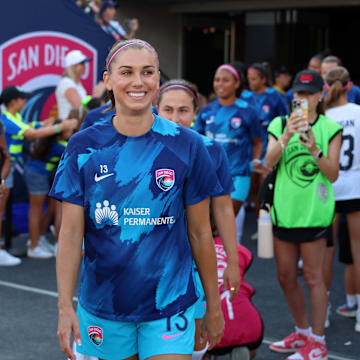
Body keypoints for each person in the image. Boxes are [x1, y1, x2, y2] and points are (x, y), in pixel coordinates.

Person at [50, 39, 224, 360]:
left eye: (148, 72)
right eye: (126, 72)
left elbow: (200, 233)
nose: (138, 82)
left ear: (158, 80)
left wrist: (212, 305)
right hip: (105, 304)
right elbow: (72, 234)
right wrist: (64, 307)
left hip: (170, 302)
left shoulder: (187, 144)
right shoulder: (83, 146)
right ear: (109, 79)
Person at [157, 79, 241, 360]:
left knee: (193, 346)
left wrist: (232, 260)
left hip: (193, 261)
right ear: (156, 110)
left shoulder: (211, 150)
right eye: (167, 109)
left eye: (183, 110)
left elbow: (223, 209)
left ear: (196, 113)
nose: (175, 118)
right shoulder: (142, 146)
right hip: (148, 262)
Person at [266, 69, 342, 360]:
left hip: (314, 213)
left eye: (309, 93)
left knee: (313, 277)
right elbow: (269, 161)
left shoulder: (329, 127)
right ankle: (302, 332)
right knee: (285, 276)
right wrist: (286, 135)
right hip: (284, 212)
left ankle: (318, 343)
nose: (303, 98)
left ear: (320, 95)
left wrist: (315, 150)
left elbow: (333, 174)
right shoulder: (279, 123)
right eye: (299, 93)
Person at [0, 85, 78, 260]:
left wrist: (47, 123)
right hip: (5, 166)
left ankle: (35, 242)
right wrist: (60, 127)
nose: (25, 101)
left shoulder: (15, 117)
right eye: (22, 98)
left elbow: (32, 126)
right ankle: (29, 246)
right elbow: (32, 134)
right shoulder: (6, 118)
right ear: (14, 101)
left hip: (9, 166)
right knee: (3, 209)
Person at [193, 64, 263, 216]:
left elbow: (258, 142)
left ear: (236, 84)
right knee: (210, 224)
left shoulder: (248, 110)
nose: (220, 84)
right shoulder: (206, 110)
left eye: (225, 80)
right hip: (210, 174)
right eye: (217, 80)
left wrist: (254, 162)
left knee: (225, 218)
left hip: (238, 175)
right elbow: (195, 140)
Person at [322, 66, 360, 332]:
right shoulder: (358, 113)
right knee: (359, 252)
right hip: (356, 186)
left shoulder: (324, 117)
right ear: (349, 86)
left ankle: (321, 311)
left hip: (329, 188)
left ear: (327, 87)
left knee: (324, 253)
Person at [24, 119, 75, 258]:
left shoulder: (48, 139)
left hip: (38, 174)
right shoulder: (60, 146)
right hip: (37, 176)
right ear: (59, 134)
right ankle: (33, 246)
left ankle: (38, 239)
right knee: (36, 210)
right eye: (69, 131)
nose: (72, 133)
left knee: (43, 209)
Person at [55, 50, 105, 120]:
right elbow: (80, 110)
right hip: (70, 128)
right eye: (82, 63)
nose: (85, 66)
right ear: (73, 66)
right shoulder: (66, 83)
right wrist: (96, 96)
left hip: (76, 126)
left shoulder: (76, 83)